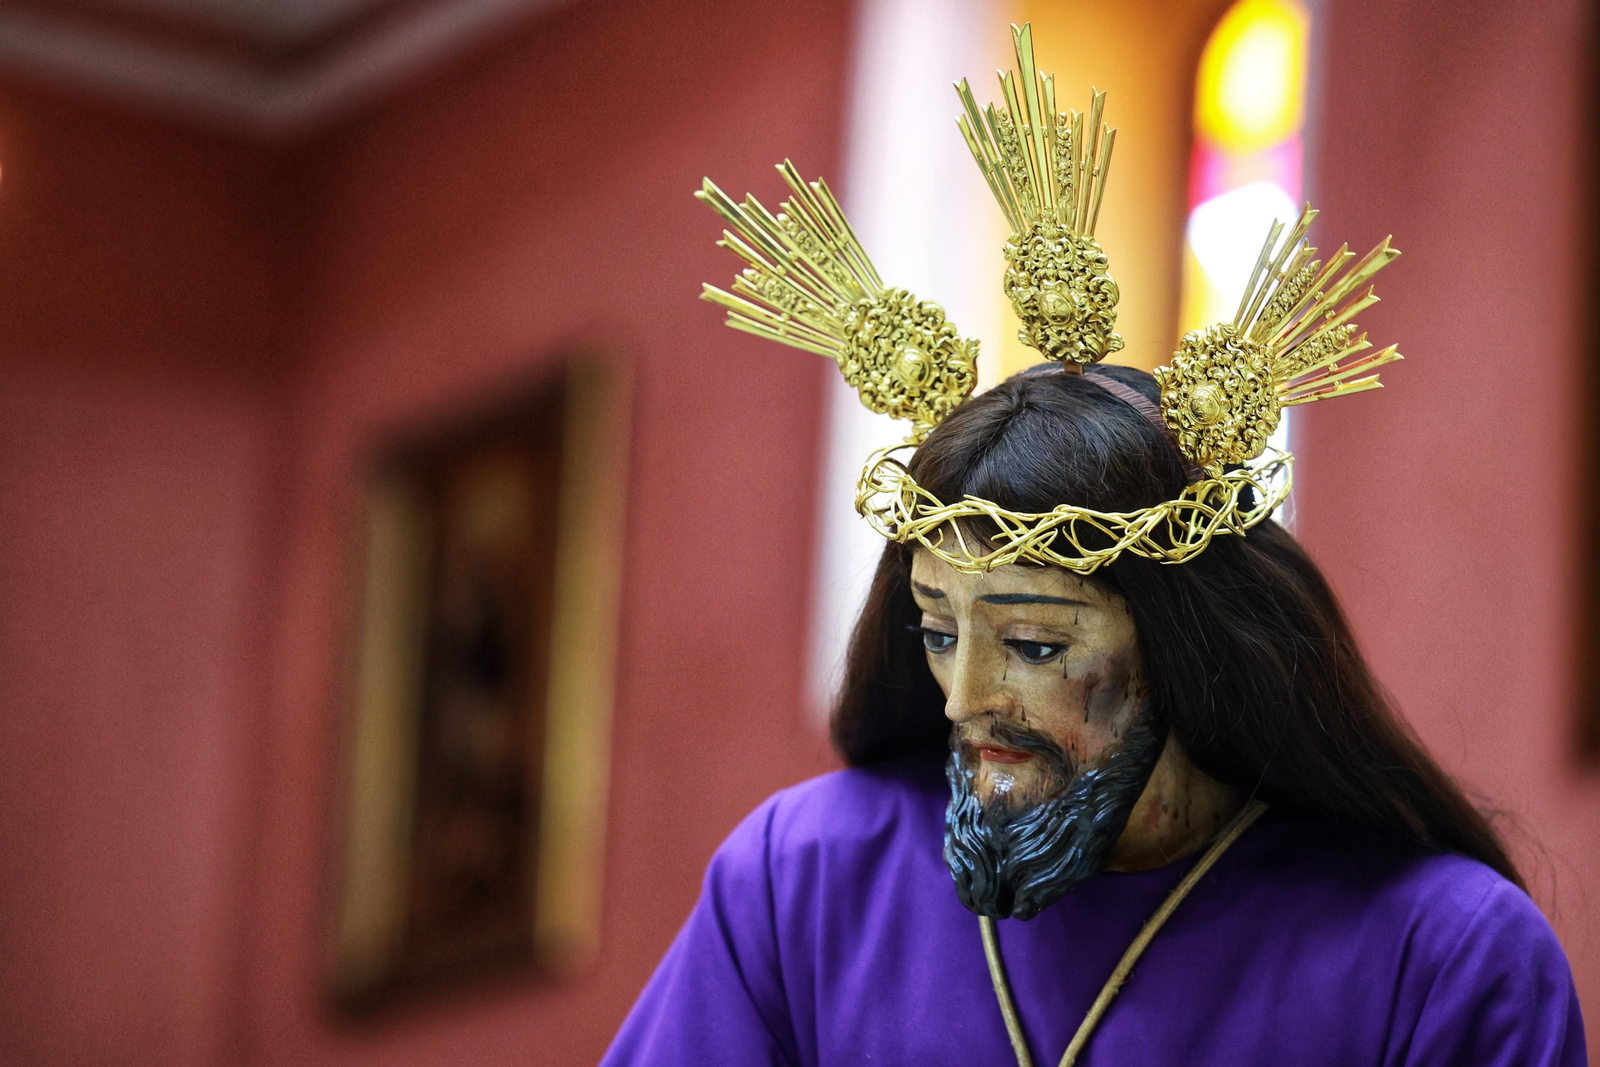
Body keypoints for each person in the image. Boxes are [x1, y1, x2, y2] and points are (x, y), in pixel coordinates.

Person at [603, 25, 1585, 1067]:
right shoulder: (800, 883)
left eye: (1031, 642)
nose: (961, 696)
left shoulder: (1434, 954)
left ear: (1183, 643)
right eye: (937, 630)